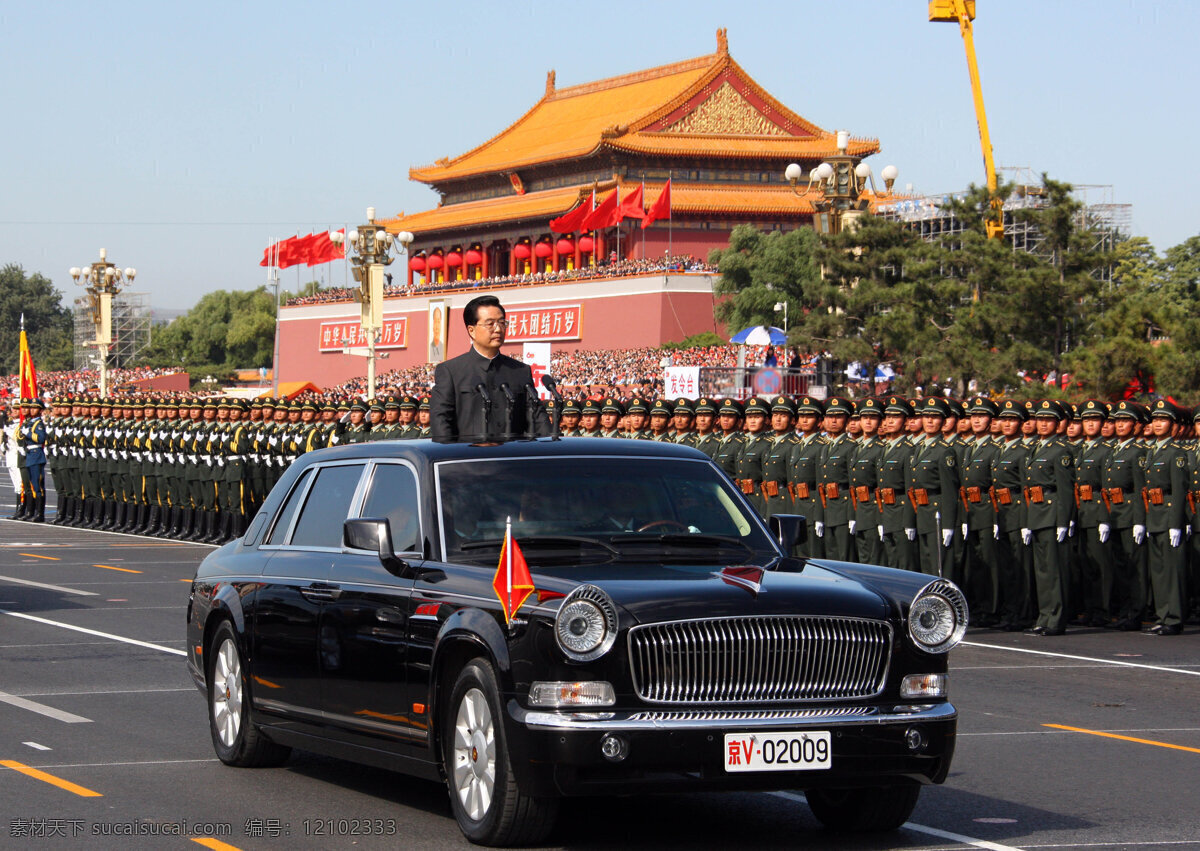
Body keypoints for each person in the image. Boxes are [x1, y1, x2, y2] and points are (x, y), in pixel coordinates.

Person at [430, 295, 550, 441]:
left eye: (502, 322)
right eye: (490, 324)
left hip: (512, 458)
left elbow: (537, 418)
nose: (498, 329)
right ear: (471, 330)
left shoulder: (520, 371)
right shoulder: (451, 371)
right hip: (469, 459)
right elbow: (441, 422)